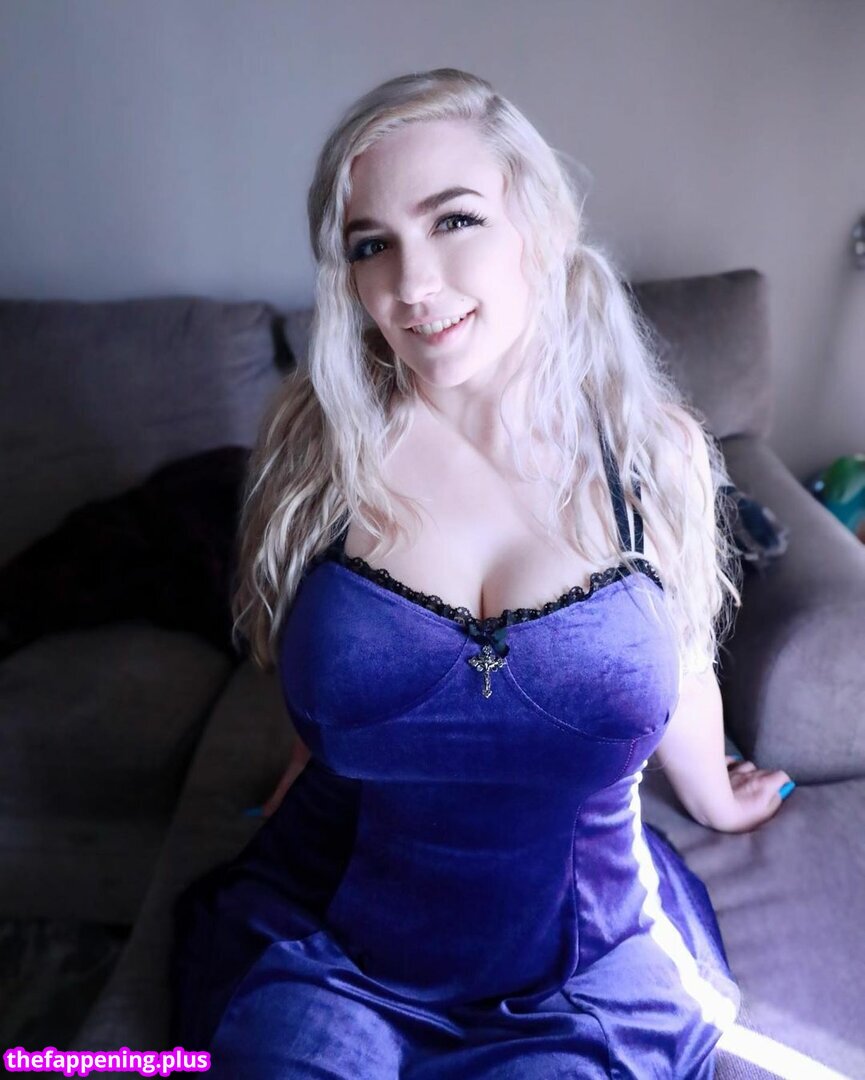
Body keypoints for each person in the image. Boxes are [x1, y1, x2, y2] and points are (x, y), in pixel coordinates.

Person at [170, 68, 795, 1078]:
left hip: (579, 967)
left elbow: (673, 658)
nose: (411, 286)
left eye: (453, 220)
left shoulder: (653, 455)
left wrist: (715, 802)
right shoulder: (316, 451)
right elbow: (328, 683)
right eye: (370, 244)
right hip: (330, 947)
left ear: (541, 226)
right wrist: (294, 781)